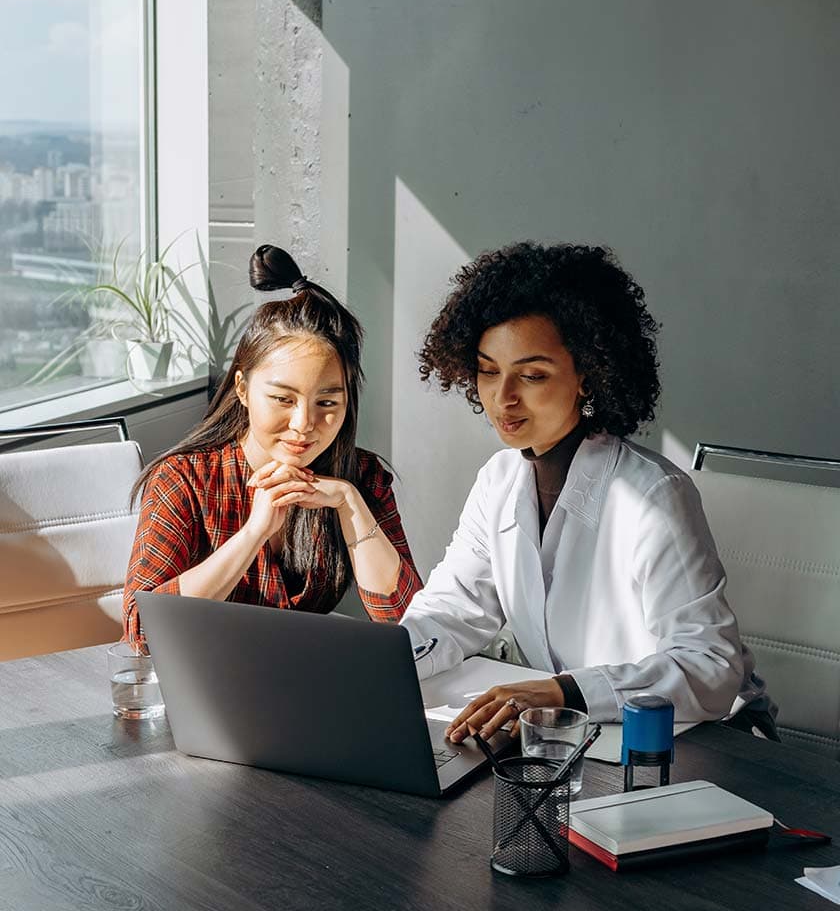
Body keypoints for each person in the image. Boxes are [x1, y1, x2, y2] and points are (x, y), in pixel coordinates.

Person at [400, 242, 774, 743]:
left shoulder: (653, 495)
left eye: (532, 375)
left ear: (588, 375)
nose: (502, 396)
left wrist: (563, 692)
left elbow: (708, 665)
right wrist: (382, 662)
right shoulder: (498, 480)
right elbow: (454, 608)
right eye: (489, 370)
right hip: (576, 736)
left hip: (702, 739)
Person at [124, 245, 420, 647]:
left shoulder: (362, 477)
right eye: (283, 399)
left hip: (299, 684)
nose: (304, 425)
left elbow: (409, 625)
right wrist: (254, 533)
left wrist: (350, 504)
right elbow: (142, 632)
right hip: (206, 686)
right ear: (243, 389)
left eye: (327, 403)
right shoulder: (184, 479)